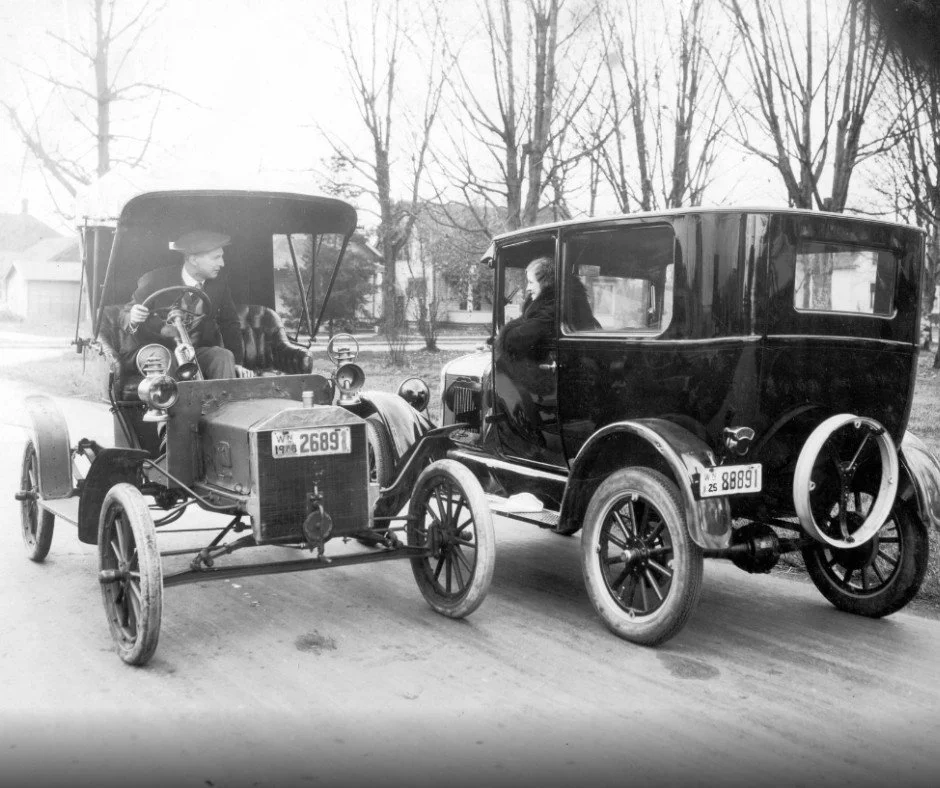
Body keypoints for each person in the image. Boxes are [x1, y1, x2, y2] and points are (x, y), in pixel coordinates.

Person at [121, 229, 253, 379]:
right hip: (154, 350)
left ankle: (224, 401)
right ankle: (168, 400)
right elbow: (124, 314)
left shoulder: (219, 285)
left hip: (192, 352)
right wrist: (132, 317)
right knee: (163, 356)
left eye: (221, 257)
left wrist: (237, 363)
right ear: (193, 260)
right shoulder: (155, 279)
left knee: (222, 356)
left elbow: (230, 324)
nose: (222, 263)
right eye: (216, 258)